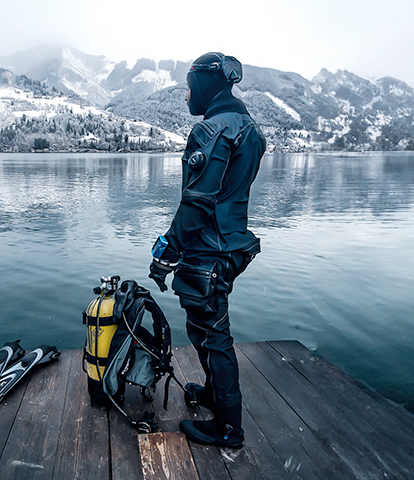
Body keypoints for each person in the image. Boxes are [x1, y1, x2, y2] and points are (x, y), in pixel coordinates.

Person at [147, 52, 264, 449]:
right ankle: (215, 397)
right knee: (207, 330)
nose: (185, 96)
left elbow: (198, 200)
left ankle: (228, 427)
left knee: (214, 337)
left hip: (208, 252)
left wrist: (166, 250)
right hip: (231, 245)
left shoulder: (210, 131)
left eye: (189, 86)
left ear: (206, 85)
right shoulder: (248, 128)